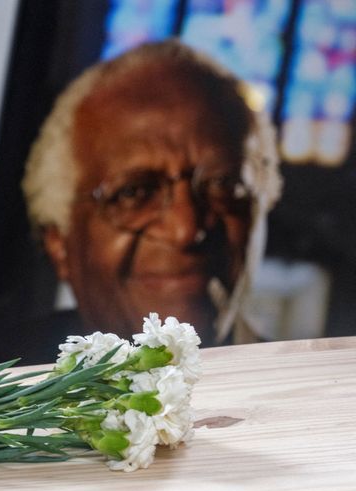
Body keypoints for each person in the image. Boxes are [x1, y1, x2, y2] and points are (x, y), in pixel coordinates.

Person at [21, 39, 283, 347]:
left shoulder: (317, 388)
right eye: (134, 193)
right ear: (59, 244)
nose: (186, 228)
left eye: (224, 185)